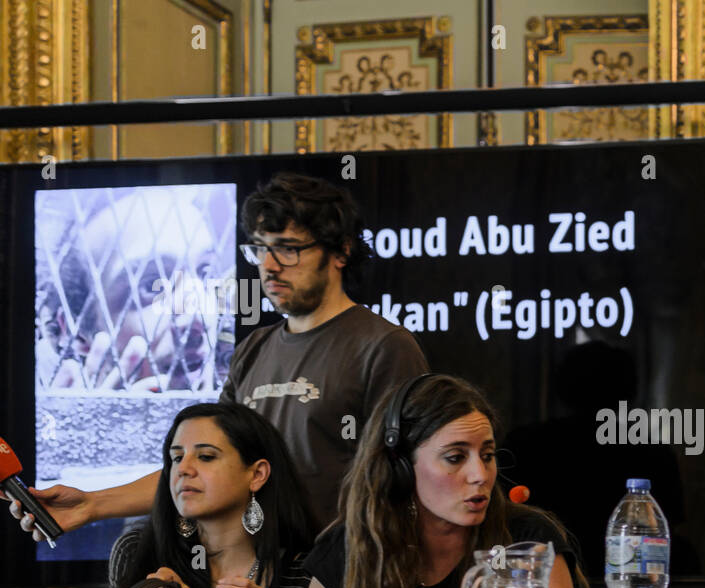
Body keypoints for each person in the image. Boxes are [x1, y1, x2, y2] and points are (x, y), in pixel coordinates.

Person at [8, 172, 430, 538]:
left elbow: (411, 490)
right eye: (259, 248)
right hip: (261, 586)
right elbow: (205, 467)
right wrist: (93, 504)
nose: (268, 265)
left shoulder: (383, 347)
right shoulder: (253, 350)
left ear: (341, 252)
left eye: (287, 248)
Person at [282, 374, 587, 588]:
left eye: (487, 455)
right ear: (400, 468)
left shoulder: (527, 537)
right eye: (455, 458)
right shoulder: (355, 542)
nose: (480, 475)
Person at [110, 402, 316, 588]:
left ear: (257, 474)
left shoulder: (306, 571)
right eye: (176, 457)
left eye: (205, 456)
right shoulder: (137, 549)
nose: (184, 469)